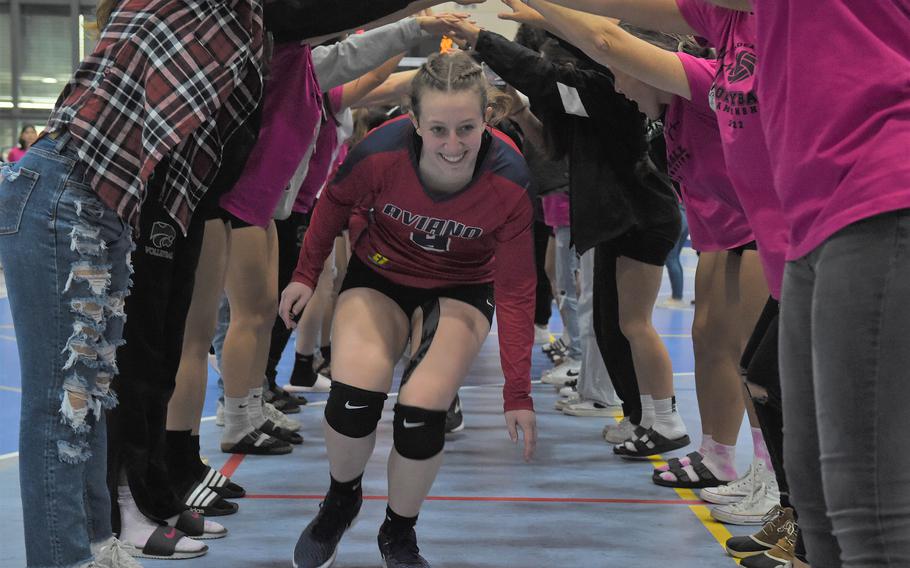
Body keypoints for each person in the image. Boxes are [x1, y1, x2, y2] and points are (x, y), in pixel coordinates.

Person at [279, 51, 537, 568]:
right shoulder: (380, 152)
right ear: (414, 121)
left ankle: (398, 533)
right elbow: (332, 202)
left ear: (487, 117)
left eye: (467, 128)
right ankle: (341, 498)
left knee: (422, 411)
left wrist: (518, 392)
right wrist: (305, 274)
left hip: (463, 287)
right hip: (380, 274)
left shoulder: (509, 179)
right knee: (355, 397)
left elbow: (515, 291)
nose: (453, 145)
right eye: (438, 129)